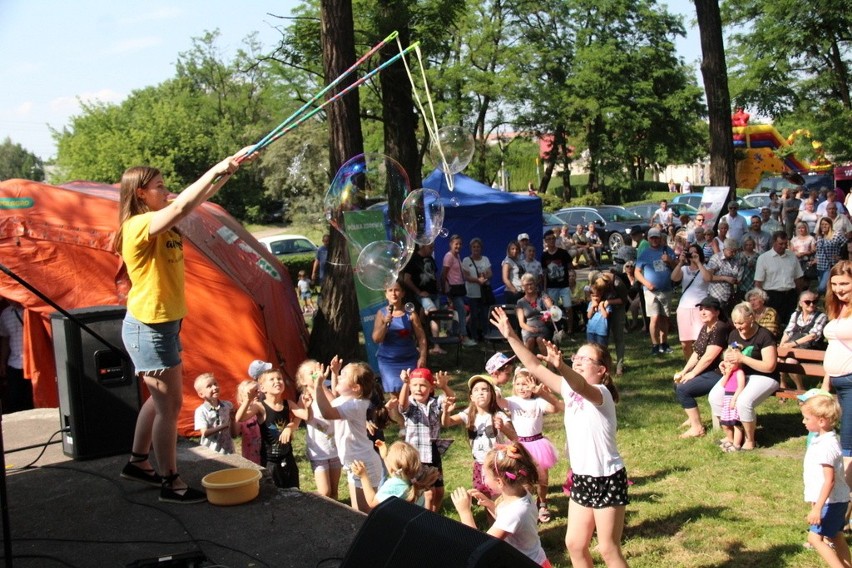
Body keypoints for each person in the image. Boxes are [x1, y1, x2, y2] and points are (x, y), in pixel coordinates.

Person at [117, 146, 256, 504]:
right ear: (140, 194)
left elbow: (191, 202)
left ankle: (137, 462)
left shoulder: (161, 216)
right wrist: (215, 166)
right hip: (149, 327)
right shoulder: (137, 226)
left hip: (163, 324)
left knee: (158, 400)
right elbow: (182, 205)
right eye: (159, 186)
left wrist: (228, 171)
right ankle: (171, 481)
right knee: (170, 406)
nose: (167, 192)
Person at [491, 308, 629, 568]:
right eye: (576, 356)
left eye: (585, 359)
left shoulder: (601, 393)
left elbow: (580, 385)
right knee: (575, 545)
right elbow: (532, 365)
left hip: (607, 477)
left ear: (602, 370)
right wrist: (510, 335)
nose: (577, 360)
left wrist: (562, 365)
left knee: (608, 548)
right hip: (582, 476)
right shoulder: (569, 388)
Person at [451, 444, 552, 567]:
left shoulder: (515, 513)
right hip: (536, 560)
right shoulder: (523, 494)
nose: (484, 480)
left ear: (499, 482)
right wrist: (490, 505)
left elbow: (479, 545)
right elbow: (509, 523)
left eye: (485, 476)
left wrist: (464, 512)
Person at [313, 360, 384, 513]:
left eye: (343, 375)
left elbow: (327, 412)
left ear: (355, 388)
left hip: (364, 464)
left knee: (365, 513)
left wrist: (318, 386)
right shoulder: (348, 400)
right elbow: (333, 400)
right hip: (355, 464)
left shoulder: (356, 405)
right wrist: (332, 375)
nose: (339, 377)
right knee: (357, 511)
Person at [708, 302, 779, 451]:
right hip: (738, 375)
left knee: (743, 401)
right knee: (714, 396)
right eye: (735, 323)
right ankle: (730, 435)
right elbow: (730, 354)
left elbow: (769, 366)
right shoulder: (734, 334)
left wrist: (743, 359)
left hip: (765, 376)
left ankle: (750, 439)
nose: (738, 326)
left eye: (741, 323)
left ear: (751, 318)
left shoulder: (765, 336)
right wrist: (725, 363)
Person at [800, 394, 852, 567]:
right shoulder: (823, 439)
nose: (803, 421)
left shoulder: (826, 446)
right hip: (837, 500)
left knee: (814, 539)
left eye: (807, 418)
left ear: (822, 421)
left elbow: (829, 481)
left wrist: (817, 509)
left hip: (830, 502)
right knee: (835, 536)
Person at [504, 368, 562, 523]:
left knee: (542, 477)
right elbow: (498, 401)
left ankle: (542, 502)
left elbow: (555, 408)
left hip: (538, 443)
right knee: (523, 477)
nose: (522, 388)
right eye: (519, 384)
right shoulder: (512, 401)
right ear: (514, 386)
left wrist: (547, 394)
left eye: (526, 384)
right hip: (520, 445)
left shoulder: (538, 402)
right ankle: (527, 505)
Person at [442, 375, 514, 499]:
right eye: (476, 390)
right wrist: (446, 412)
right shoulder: (468, 414)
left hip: (496, 463)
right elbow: (447, 423)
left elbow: (514, 436)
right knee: (484, 497)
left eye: (485, 390)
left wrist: (503, 428)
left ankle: (500, 517)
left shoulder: (499, 414)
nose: (480, 393)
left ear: (492, 394)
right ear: (471, 397)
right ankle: (490, 518)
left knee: (498, 497)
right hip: (479, 464)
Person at [397, 367, 455, 512]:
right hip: (416, 454)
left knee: (439, 491)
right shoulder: (410, 404)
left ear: (431, 387)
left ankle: (434, 515)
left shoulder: (435, 402)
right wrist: (404, 384)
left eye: (423, 385)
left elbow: (451, 398)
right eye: (414, 385)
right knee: (427, 492)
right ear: (410, 387)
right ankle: (422, 516)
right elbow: (402, 404)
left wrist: (444, 387)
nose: (418, 389)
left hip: (432, 451)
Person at [674, 296, 730, 439]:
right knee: (679, 382)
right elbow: (698, 352)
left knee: (683, 389)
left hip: (721, 372)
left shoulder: (720, 328)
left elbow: (709, 357)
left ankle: (697, 428)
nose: (703, 312)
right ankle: (692, 418)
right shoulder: (706, 327)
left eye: (707, 309)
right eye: (701, 309)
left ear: (717, 312)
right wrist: (684, 371)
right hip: (709, 371)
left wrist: (693, 374)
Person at [821, 261, 852, 500]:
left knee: (848, 446)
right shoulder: (838, 307)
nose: (840, 289)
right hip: (838, 382)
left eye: (845, 284)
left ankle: (845, 507)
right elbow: (834, 345)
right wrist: (825, 383)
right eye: (835, 284)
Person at [244, 368, 302, 489]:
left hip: (288, 457)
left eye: (279, 378)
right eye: (272, 379)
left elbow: (304, 416)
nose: (277, 381)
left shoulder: (288, 403)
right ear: (262, 388)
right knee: (275, 493)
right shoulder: (260, 406)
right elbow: (240, 418)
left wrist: (290, 426)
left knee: (294, 491)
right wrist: (248, 400)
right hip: (270, 461)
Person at [294, 359, 341, 500]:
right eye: (312, 373)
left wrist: (320, 385)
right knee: (325, 492)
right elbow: (297, 420)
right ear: (302, 381)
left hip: (334, 449)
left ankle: (336, 516)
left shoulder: (324, 390)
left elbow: (334, 404)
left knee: (334, 490)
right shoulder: (304, 398)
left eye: (318, 370)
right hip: (319, 451)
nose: (316, 374)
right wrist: (290, 428)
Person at [373, 280, 428, 396]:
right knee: (395, 394)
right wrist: (385, 324)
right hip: (388, 362)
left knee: (412, 393)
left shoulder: (411, 313)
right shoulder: (381, 313)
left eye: (397, 290)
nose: (394, 294)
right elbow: (376, 339)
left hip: (409, 359)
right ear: (386, 294)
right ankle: (394, 415)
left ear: (403, 293)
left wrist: (422, 357)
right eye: (390, 290)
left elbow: (421, 337)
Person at [351, 440, 440, 510]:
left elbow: (372, 503)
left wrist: (363, 476)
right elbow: (396, 474)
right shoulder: (417, 479)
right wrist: (385, 456)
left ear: (393, 468)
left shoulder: (393, 486)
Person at [634, 227, 677, 355]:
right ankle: (655, 344)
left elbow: (677, 268)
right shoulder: (644, 253)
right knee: (655, 317)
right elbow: (637, 272)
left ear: (660, 238)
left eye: (656, 237)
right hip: (651, 291)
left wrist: (670, 261)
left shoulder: (667, 251)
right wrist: (647, 283)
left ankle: (664, 343)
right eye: (652, 238)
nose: (654, 240)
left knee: (665, 318)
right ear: (648, 239)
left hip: (666, 289)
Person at [755, 231, 805, 330]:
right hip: (772, 296)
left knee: (790, 323)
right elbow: (758, 282)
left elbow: (798, 278)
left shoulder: (792, 256)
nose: (783, 246)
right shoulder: (764, 258)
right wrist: (760, 300)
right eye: (780, 244)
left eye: (785, 244)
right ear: (774, 242)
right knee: (774, 323)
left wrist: (800, 295)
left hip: (790, 295)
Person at [779, 291, 827, 391]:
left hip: (811, 349)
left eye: (815, 301)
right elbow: (788, 332)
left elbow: (813, 336)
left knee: (790, 361)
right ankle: (782, 385)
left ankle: (800, 389)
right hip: (794, 348)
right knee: (779, 359)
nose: (812, 304)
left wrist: (792, 344)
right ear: (801, 303)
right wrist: (782, 345)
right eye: (808, 302)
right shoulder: (795, 315)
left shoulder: (821, 316)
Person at [672, 244, 712, 359]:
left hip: (701, 308)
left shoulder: (706, 268)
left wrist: (699, 263)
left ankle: (702, 366)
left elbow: (708, 279)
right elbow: (674, 278)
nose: (693, 255)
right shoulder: (684, 269)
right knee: (685, 343)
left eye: (695, 253)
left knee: (702, 340)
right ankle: (689, 367)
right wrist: (680, 262)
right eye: (690, 253)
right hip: (684, 308)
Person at [402, 243, 443, 354]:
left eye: (433, 247)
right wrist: (419, 292)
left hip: (434, 293)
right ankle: (436, 345)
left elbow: (435, 273)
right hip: (422, 295)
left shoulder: (430, 258)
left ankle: (427, 342)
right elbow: (406, 279)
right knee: (433, 312)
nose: (432, 250)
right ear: (423, 246)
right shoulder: (413, 259)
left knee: (435, 316)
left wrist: (439, 285)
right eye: (430, 247)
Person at [442, 234, 477, 347]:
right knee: (461, 311)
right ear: (451, 244)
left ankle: (455, 336)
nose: (458, 246)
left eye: (460, 244)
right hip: (453, 289)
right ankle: (464, 337)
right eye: (456, 244)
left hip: (459, 288)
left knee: (458, 313)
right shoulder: (449, 256)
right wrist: (446, 291)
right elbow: (444, 274)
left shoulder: (457, 256)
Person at [0, 301, 33, 413]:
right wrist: (2, 362)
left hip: (33, 363)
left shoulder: (32, 310)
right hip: (14, 364)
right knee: (15, 399)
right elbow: (5, 339)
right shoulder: (5, 314)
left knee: (32, 398)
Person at [541, 229, 576, 332]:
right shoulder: (544, 256)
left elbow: (570, 268)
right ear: (545, 241)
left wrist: (572, 278)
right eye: (549, 239)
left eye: (553, 238)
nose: (551, 241)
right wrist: (545, 289)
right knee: (553, 310)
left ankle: (570, 329)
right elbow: (545, 273)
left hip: (564, 285)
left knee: (568, 307)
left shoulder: (563, 253)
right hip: (552, 286)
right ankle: (557, 329)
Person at [192, 373, 235, 454]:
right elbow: (204, 432)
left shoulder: (228, 405)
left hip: (228, 450)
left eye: (215, 384)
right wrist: (224, 426)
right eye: (209, 386)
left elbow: (234, 433)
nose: (215, 387)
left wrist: (233, 420)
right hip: (210, 452)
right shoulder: (201, 411)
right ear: (201, 394)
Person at [462, 237, 493, 342]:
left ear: (481, 248)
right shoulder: (466, 260)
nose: (476, 248)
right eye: (474, 247)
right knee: (474, 316)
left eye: (478, 247)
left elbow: (490, 273)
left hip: (484, 293)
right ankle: (474, 337)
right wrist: (477, 280)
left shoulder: (485, 259)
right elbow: (466, 277)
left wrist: (485, 277)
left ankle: (486, 335)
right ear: (470, 248)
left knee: (485, 315)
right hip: (472, 293)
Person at [516, 273, 556, 353]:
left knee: (540, 339)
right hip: (528, 328)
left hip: (543, 327)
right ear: (523, 287)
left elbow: (553, 310)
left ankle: (549, 363)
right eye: (527, 285)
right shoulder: (520, 302)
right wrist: (531, 329)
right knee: (530, 340)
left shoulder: (543, 296)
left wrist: (550, 312)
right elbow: (521, 323)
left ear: (535, 284)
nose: (529, 287)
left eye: (531, 284)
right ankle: (530, 364)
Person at [717, 347, 747, 452]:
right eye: (726, 362)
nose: (728, 364)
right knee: (725, 423)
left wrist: (734, 399)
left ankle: (737, 444)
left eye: (731, 362)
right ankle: (730, 440)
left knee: (736, 423)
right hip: (727, 398)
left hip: (735, 398)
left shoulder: (739, 372)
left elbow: (741, 386)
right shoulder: (729, 372)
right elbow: (723, 384)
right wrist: (727, 374)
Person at [814, 216, 847, 295]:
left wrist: (841, 256)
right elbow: (818, 250)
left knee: (822, 288)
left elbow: (846, 244)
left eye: (826, 224)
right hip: (820, 265)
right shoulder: (819, 236)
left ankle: (815, 296)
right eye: (822, 224)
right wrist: (815, 259)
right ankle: (828, 304)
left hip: (830, 265)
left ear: (830, 225)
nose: (824, 226)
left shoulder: (836, 234)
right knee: (828, 288)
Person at [234, 379, 262, 465]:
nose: (256, 394)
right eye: (252, 392)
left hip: (265, 450)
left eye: (258, 391)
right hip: (250, 452)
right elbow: (235, 433)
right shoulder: (242, 414)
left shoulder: (263, 409)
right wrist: (232, 420)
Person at [586, 278, 612, 347]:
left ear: (601, 295)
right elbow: (588, 316)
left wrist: (601, 307)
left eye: (597, 296)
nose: (595, 298)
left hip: (601, 330)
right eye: (593, 296)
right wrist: (592, 307)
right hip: (591, 330)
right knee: (591, 348)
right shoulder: (590, 304)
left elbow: (606, 315)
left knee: (601, 348)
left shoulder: (605, 304)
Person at [501, 240, 525, 304]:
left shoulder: (520, 261)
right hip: (513, 293)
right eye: (512, 249)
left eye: (517, 249)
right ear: (509, 250)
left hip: (522, 291)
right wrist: (514, 290)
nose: (515, 251)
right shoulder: (507, 262)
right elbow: (505, 279)